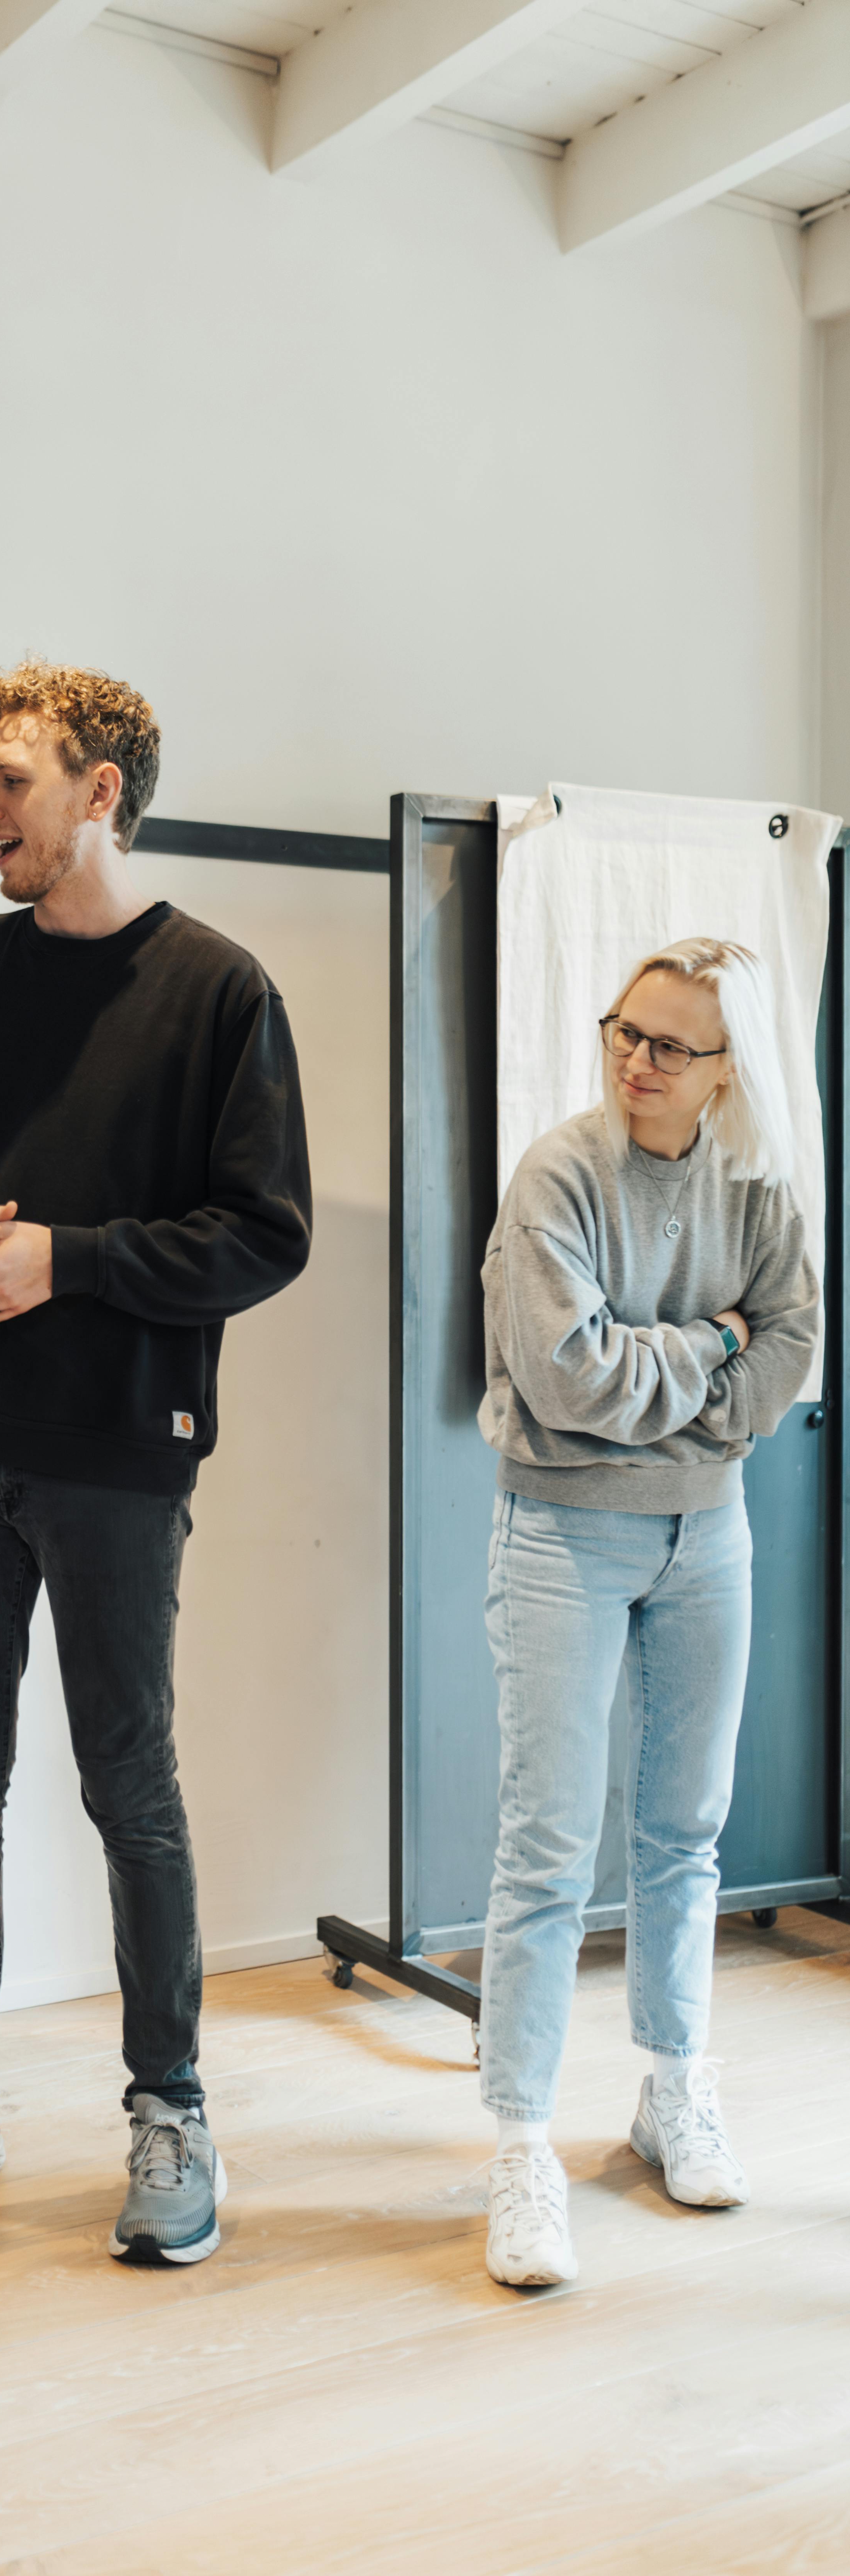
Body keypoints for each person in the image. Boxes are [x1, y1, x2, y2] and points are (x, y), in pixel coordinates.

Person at [0, 661, 310, 2263]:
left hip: (118, 1455)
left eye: (11, 783)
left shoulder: (221, 993)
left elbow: (264, 1234)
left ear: (101, 792)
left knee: (133, 1788)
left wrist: (71, 1260)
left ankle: (170, 2111)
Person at [474, 935, 819, 2289]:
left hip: (709, 1535)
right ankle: (519, 2148)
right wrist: (713, 1344)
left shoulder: (756, 1184)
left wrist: (690, 1364)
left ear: (727, 1073)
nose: (636, 1061)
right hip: (559, 1530)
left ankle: (674, 2084)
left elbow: (793, 1345)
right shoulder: (558, 1171)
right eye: (625, 1031)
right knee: (545, 1850)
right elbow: (566, 1382)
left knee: (685, 1834)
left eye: (671, 1045)